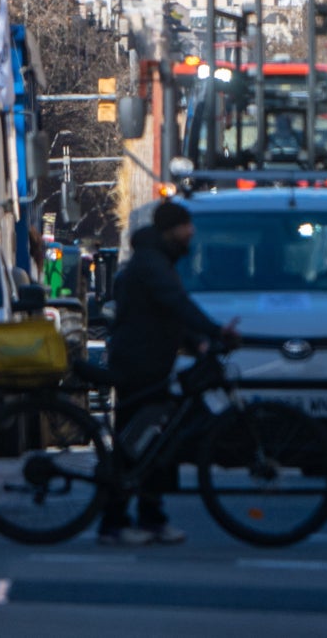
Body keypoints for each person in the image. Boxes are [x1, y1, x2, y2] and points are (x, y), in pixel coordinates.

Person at [98, 198, 236, 546]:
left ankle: (149, 517)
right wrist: (215, 332)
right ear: (170, 230)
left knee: (151, 443)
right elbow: (176, 303)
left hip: (150, 363)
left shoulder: (156, 261)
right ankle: (115, 522)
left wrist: (197, 342)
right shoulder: (152, 264)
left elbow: (166, 310)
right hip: (139, 366)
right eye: (185, 226)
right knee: (137, 444)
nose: (191, 233)